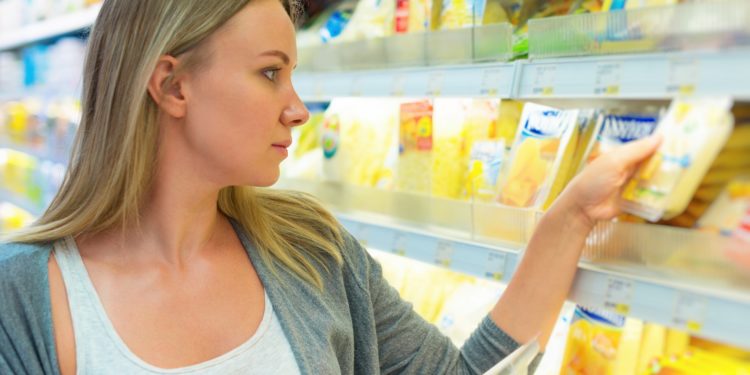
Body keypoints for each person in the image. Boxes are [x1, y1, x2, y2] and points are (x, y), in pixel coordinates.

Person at [0, 0, 661, 374]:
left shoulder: (311, 251)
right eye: (269, 73)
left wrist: (571, 215)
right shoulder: (22, 295)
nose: (297, 108)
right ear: (172, 85)